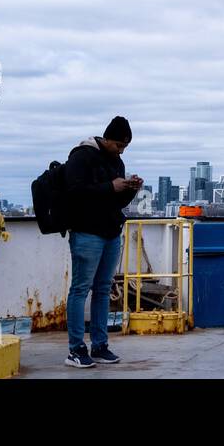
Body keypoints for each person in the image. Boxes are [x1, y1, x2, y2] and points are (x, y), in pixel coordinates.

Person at [62, 116, 140, 368]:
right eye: (118, 145)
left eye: (125, 147)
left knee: (103, 289)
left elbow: (116, 201)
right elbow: (73, 192)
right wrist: (110, 187)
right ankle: (75, 349)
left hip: (110, 232)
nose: (121, 150)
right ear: (106, 139)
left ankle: (100, 345)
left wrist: (129, 189)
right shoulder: (81, 157)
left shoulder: (117, 162)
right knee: (80, 289)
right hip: (86, 232)